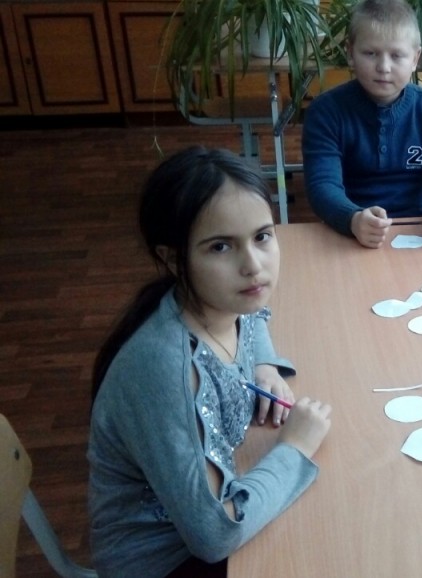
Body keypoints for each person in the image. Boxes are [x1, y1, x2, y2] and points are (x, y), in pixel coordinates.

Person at [87, 147, 332, 578]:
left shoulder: (220, 301)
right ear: (172, 258)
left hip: (210, 514)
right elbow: (215, 534)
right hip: (168, 560)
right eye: (221, 246)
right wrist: (293, 448)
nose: (253, 266)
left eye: (262, 236)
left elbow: (254, 316)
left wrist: (264, 365)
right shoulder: (165, 368)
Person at [302, 0, 422, 249]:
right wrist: (352, 218)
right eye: (370, 53)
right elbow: (322, 185)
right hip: (353, 230)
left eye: (396, 55)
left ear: (415, 59)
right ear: (350, 53)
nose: (383, 67)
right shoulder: (325, 112)